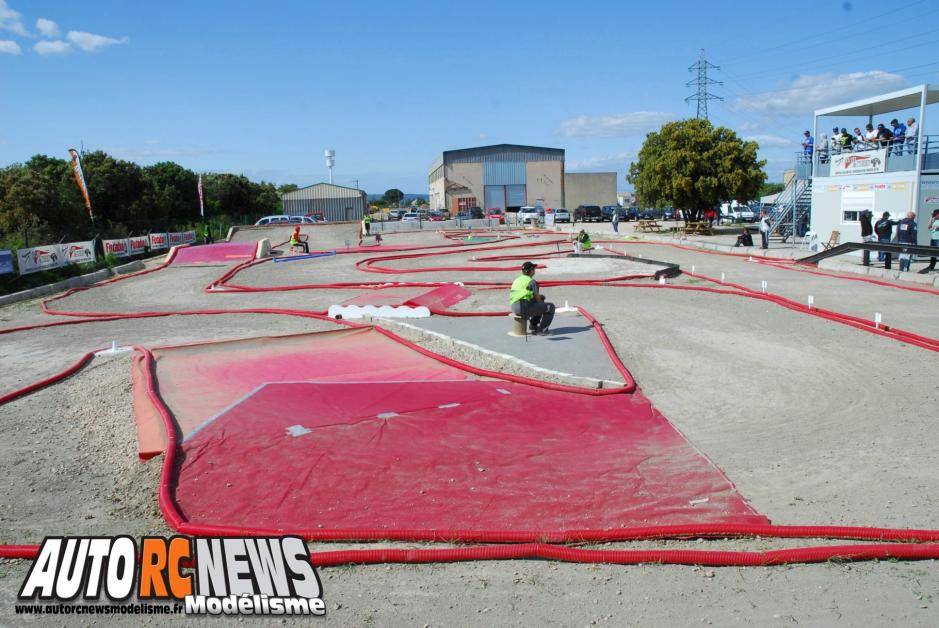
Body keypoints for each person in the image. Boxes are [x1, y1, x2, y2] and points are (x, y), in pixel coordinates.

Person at [509, 261, 555, 336]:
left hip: (514, 306)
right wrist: (543, 303)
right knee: (550, 307)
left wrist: (540, 298)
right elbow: (538, 300)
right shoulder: (532, 282)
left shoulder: (517, 280)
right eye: (533, 269)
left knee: (540, 301)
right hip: (523, 308)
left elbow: (523, 293)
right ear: (531, 271)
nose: (534, 270)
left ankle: (533, 326)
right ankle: (542, 330)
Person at [920, 209, 939, 273]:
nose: (934, 216)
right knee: (933, 253)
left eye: (935, 215)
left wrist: (937, 227)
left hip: (938, 239)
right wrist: (931, 218)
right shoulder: (935, 220)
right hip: (933, 239)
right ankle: (931, 266)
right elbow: (929, 226)